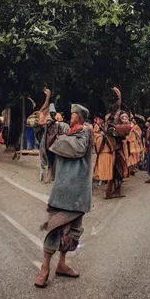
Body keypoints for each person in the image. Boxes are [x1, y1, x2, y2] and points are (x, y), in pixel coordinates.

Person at [39, 104, 93, 289]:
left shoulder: (85, 134)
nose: (70, 117)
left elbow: (77, 149)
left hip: (78, 191)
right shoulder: (66, 131)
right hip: (61, 190)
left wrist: (57, 140)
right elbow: (50, 137)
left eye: (73, 114)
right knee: (54, 228)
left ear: (80, 116)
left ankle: (61, 264)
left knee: (73, 232)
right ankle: (44, 268)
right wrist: (48, 126)